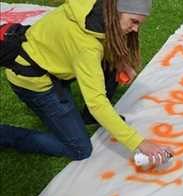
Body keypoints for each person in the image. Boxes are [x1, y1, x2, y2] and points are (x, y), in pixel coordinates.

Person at [0, 0, 173, 164]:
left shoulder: (95, 9)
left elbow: (104, 41)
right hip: (35, 81)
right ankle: (5, 134)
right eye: (133, 21)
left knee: (111, 66)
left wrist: (120, 62)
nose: (135, 29)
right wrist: (139, 143)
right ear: (115, 13)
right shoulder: (86, 47)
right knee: (79, 149)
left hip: (50, 60)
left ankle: (88, 118)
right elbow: (96, 102)